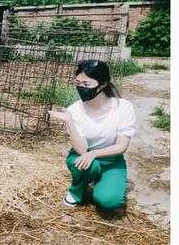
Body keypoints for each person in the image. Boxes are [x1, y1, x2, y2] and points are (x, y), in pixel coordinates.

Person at [49, 60, 136, 213]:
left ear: (102, 85)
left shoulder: (123, 107)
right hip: (81, 157)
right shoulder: (74, 110)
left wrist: (94, 153)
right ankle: (77, 190)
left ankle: (101, 181)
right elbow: (82, 149)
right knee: (88, 164)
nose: (81, 88)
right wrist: (69, 121)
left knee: (109, 202)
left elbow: (122, 146)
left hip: (111, 160)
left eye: (86, 84)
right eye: (78, 83)